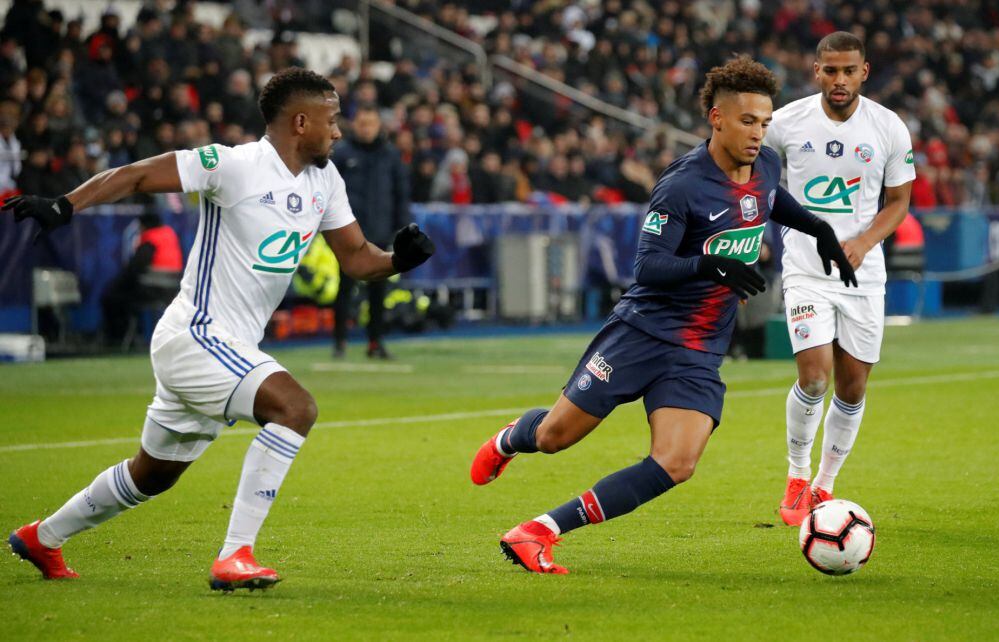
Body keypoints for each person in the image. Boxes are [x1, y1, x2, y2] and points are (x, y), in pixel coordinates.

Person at [3, 67, 434, 590]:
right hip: (197, 334)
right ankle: (236, 555)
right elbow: (139, 174)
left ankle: (41, 537)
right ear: (301, 122)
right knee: (295, 408)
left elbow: (360, 260)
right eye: (332, 120)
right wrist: (66, 204)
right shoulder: (232, 165)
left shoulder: (325, 180)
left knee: (152, 475)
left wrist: (399, 261)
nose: (338, 131)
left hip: (225, 347)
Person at [469, 56, 856, 574]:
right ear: (716, 118)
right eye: (747, 121)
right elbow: (647, 267)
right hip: (642, 333)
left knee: (678, 463)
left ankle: (537, 532)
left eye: (765, 123)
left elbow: (770, 198)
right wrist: (708, 264)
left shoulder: (763, 164)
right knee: (555, 438)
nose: (758, 133)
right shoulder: (682, 185)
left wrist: (819, 229)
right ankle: (512, 437)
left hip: (698, 349)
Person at [761, 32, 915, 525]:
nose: (840, 80)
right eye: (831, 71)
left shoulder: (888, 128)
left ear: (864, 72)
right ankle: (797, 475)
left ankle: (825, 486)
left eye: (849, 71)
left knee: (851, 389)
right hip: (806, 269)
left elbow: (898, 203)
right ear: (816, 71)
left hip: (863, 277)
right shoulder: (786, 123)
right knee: (814, 375)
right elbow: (744, 166)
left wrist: (865, 242)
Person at [332, 103, 411, 359]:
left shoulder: (390, 155)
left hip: (380, 233)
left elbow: (400, 193)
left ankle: (375, 342)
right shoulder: (342, 155)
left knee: (378, 293)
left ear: (379, 125)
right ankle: (340, 342)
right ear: (355, 124)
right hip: (346, 234)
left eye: (371, 123)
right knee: (344, 288)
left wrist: (402, 228)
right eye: (362, 123)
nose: (366, 129)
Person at [100, 210, 183, 345]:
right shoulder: (169, 235)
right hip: (171, 289)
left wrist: (118, 283)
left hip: (151, 289)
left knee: (112, 298)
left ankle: (118, 339)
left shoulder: (150, 239)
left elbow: (135, 268)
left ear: (143, 225)